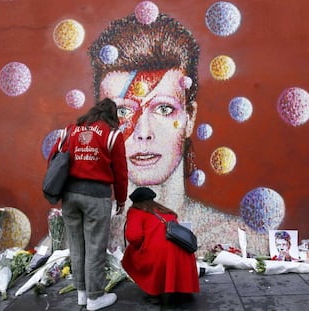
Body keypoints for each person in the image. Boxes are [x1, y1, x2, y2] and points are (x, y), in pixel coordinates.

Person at [89, 7, 271, 257]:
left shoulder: (242, 241)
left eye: (164, 108)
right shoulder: (77, 238)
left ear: (190, 118)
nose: (143, 132)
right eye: (122, 112)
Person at [48, 98, 128, 310]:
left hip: (70, 195)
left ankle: (82, 294)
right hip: (96, 197)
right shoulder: (113, 134)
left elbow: (53, 158)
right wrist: (121, 199)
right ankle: (95, 298)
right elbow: (120, 172)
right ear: (113, 116)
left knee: (76, 244)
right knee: (95, 246)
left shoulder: (71, 130)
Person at [122, 187, 199, 305]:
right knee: (169, 254)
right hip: (184, 250)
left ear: (135, 201)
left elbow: (133, 237)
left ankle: (155, 292)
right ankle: (181, 292)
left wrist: (138, 247)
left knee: (130, 253)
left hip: (160, 254)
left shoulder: (135, 211)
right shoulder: (164, 210)